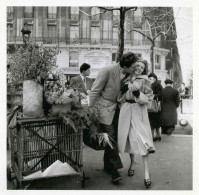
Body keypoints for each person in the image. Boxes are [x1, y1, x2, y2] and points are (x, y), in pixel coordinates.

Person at [89, 52, 139, 184]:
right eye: (133, 66)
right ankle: (115, 171)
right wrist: (90, 111)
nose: (135, 68)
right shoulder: (107, 70)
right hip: (104, 109)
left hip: (119, 110)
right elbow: (94, 91)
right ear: (126, 66)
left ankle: (107, 165)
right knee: (110, 137)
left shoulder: (130, 75)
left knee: (115, 137)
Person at [117, 59, 155, 188]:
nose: (139, 68)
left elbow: (149, 98)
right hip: (126, 112)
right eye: (137, 65)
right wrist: (122, 92)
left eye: (142, 67)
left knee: (143, 141)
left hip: (139, 113)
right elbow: (120, 99)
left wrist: (138, 94)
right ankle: (132, 163)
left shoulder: (145, 80)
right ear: (133, 66)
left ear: (144, 69)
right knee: (129, 139)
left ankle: (146, 174)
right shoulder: (125, 79)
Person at [148, 73, 163, 141]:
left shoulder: (153, 85)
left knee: (152, 123)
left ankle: (152, 136)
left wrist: (153, 96)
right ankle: (158, 135)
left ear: (154, 79)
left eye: (150, 79)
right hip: (158, 107)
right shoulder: (160, 85)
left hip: (152, 107)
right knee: (157, 122)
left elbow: (150, 95)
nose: (149, 80)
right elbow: (161, 95)